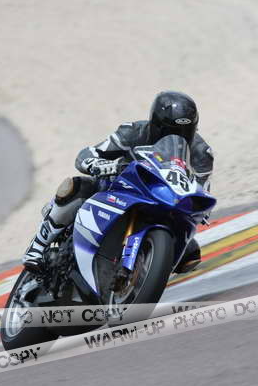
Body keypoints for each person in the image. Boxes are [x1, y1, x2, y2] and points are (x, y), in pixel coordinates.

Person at [22, 90, 214, 274]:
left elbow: (202, 188)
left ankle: (139, 275)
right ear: (155, 125)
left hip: (163, 200)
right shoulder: (132, 131)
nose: (178, 137)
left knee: (190, 254)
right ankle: (37, 246)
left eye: (185, 131)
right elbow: (87, 154)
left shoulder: (202, 152)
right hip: (119, 189)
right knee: (76, 186)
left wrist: (199, 209)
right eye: (169, 132)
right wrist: (98, 164)